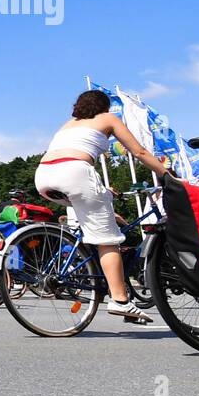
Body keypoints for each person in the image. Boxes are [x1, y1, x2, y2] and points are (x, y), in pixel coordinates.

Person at [36, 89, 170, 323]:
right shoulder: (107, 118)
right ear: (104, 106)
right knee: (108, 241)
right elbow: (138, 151)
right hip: (75, 171)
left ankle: (89, 261)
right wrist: (167, 174)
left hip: (44, 176)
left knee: (95, 210)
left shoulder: (68, 124)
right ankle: (120, 299)